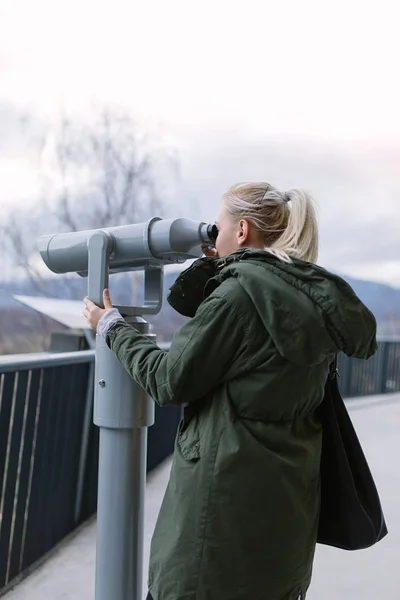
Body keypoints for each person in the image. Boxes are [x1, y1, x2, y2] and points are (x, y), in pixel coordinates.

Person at [83, 182, 377, 600]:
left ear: (241, 231)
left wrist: (112, 326)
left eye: (217, 227)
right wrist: (221, 266)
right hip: (284, 522)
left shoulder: (237, 297)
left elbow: (168, 379)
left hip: (219, 527)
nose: (212, 235)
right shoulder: (311, 300)